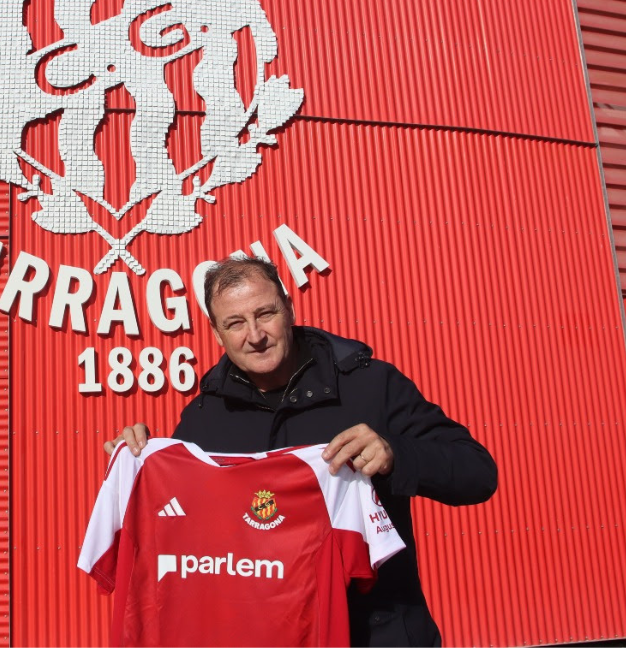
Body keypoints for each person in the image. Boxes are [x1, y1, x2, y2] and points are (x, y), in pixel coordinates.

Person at [104, 256, 497, 647]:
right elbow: (182, 532)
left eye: (265, 313)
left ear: (289, 307)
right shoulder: (203, 419)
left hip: (378, 635)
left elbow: (478, 473)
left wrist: (395, 454)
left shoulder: (370, 385)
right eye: (235, 323)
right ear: (215, 332)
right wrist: (141, 465)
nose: (254, 335)